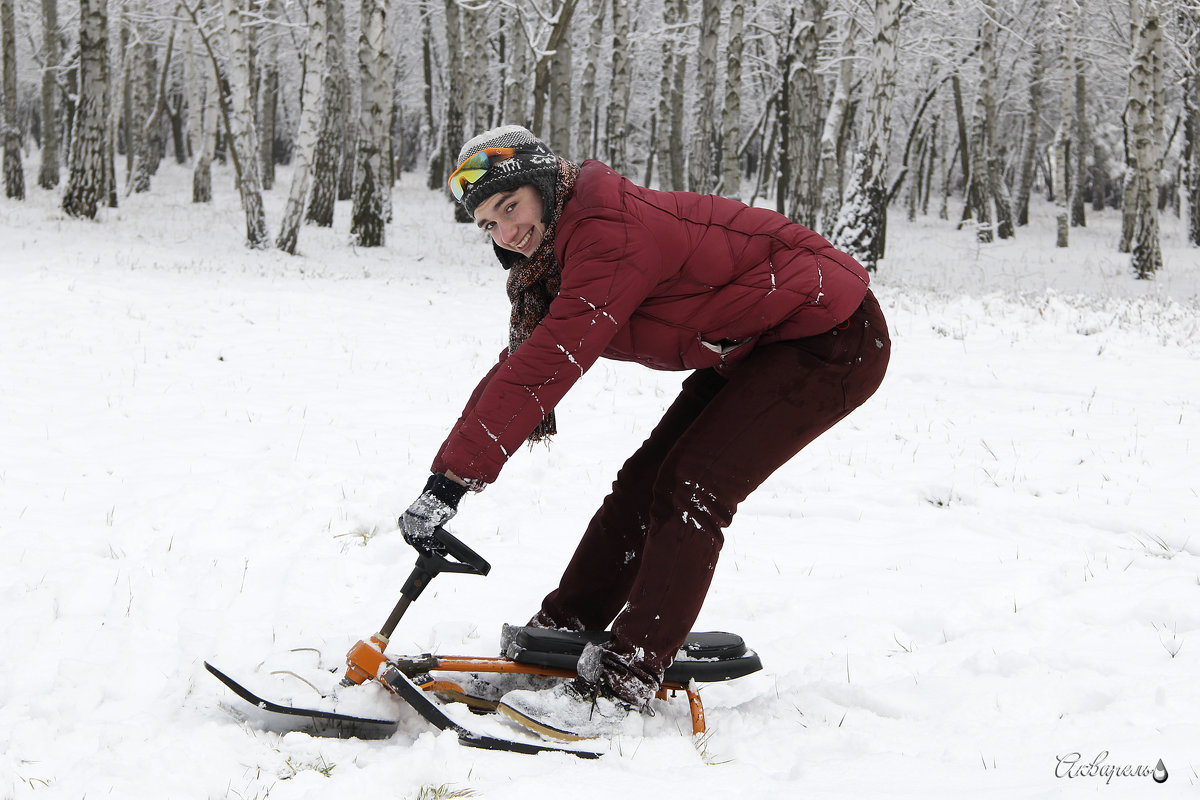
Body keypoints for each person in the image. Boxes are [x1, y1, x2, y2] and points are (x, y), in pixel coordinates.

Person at [399, 125, 891, 741]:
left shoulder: (606, 237)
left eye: (509, 207)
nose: (503, 232)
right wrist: (451, 474)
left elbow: (547, 363)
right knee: (642, 485)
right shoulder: (562, 252)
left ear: (546, 188)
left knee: (693, 487)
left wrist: (448, 483)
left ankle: (623, 681)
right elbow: (526, 364)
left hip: (832, 337)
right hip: (757, 341)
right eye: (487, 224)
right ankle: (563, 634)